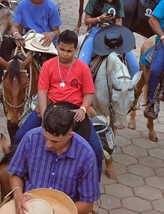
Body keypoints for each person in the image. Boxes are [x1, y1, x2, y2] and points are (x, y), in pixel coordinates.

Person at [13, 30, 104, 174]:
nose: (64, 54)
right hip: (51, 107)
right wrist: (44, 114)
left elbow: (89, 93)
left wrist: (83, 109)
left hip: (74, 112)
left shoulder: (83, 68)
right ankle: (20, 171)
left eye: (69, 51)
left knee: (97, 149)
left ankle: (93, 181)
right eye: (61, 49)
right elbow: (42, 92)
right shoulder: (48, 65)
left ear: (76, 50)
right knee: (19, 137)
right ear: (57, 46)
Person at [8, 104, 100, 214]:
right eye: (45, 137)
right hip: (30, 207)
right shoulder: (30, 138)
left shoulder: (86, 156)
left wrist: (55, 212)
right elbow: (16, 173)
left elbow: (87, 204)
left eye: (55, 141)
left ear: (70, 135)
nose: (48, 145)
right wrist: (18, 195)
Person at [0, 0, 60, 100]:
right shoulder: (23, 5)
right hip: (28, 38)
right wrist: (17, 35)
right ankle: (0, 85)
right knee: (6, 42)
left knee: (55, 61)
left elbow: (56, 30)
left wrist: (52, 34)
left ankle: (55, 90)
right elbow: (14, 26)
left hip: (45, 40)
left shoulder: (51, 7)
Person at [76, 0, 139, 76]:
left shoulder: (119, 2)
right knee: (82, 64)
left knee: (135, 66)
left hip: (114, 33)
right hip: (96, 32)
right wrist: (99, 18)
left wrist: (118, 32)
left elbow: (119, 23)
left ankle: (130, 86)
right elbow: (87, 21)